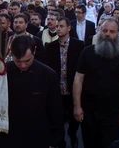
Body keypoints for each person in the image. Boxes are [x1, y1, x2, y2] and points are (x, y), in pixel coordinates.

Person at [0, 35, 62, 148]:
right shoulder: (3, 73)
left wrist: (54, 141)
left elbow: (55, 111)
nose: (23, 65)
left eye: (27, 61)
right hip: (9, 136)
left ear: (34, 51)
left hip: (38, 135)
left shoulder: (48, 75)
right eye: (18, 61)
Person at [73, 17, 119, 147]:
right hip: (88, 112)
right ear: (99, 31)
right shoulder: (87, 52)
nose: (107, 34)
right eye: (105, 30)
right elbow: (78, 79)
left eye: (112, 32)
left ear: (118, 34)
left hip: (113, 113)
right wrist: (77, 106)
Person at [45, 17, 85, 148]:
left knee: (74, 119)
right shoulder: (50, 47)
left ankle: (73, 136)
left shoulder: (79, 45)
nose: (58, 29)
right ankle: (60, 142)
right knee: (58, 119)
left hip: (72, 88)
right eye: (57, 26)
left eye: (61, 26)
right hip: (57, 90)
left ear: (69, 28)